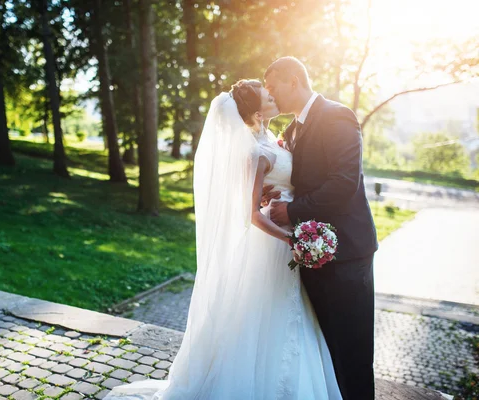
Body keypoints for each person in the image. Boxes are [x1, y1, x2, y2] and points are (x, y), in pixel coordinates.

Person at [104, 78, 342, 399]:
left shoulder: (273, 140)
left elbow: (265, 194)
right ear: (257, 114)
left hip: (282, 238)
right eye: (267, 99)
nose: (274, 98)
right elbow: (251, 214)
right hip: (273, 243)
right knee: (267, 313)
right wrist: (291, 239)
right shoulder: (256, 151)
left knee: (284, 314)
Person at [263, 56, 378, 400]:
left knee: (352, 350)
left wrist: (292, 210)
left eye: (273, 87)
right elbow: (304, 179)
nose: (270, 96)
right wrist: (278, 192)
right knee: (325, 349)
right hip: (311, 251)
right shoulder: (292, 128)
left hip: (347, 254)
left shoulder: (337, 116)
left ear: (294, 81)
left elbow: (344, 183)